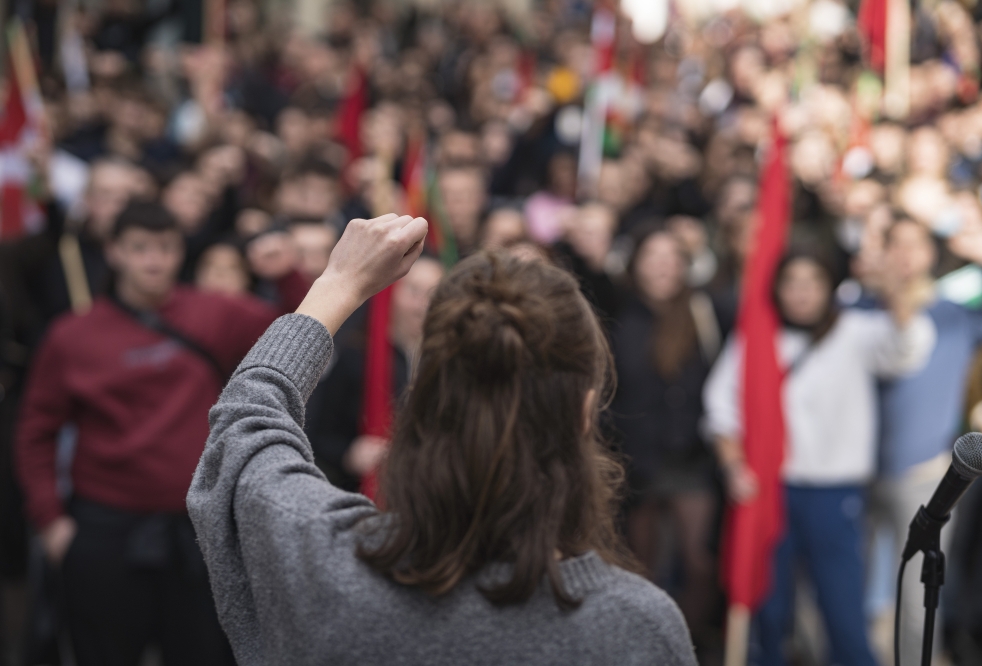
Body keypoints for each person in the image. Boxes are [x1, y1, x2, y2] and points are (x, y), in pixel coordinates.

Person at [187, 213, 698, 665]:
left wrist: (338, 283)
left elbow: (243, 426)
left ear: (421, 405)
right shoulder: (637, 629)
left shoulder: (325, 563)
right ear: (586, 414)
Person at [15, 201, 308, 666]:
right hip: (102, 532)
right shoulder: (71, 336)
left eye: (166, 248)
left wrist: (288, 272)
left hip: (196, 534)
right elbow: (35, 431)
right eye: (140, 248)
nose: (154, 260)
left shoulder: (215, 312)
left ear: (180, 252)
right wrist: (50, 521)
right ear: (114, 252)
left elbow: (301, 326)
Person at [703, 249, 936, 666]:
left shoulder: (857, 330)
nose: (801, 294)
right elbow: (721, 406)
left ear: (829, 287)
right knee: (767, 610)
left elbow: (907, 349)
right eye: (791, 283)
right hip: (771, 491)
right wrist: (733, 465)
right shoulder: (757, 338)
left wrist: (893, 294)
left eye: (812, 283)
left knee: (843, 610)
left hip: (836, 493)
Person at [872, 215, 982, 664]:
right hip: (859, 474)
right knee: (857, 596)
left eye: (916, 246)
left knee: (917, 598)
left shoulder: (953, 313)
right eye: (896, 244)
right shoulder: (860, 309)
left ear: (931, 255)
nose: (906, 256)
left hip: (925, 474)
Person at [611, 227, 723, 650]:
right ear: (635, 264)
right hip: (638, 462)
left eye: (671, 256)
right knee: (641, 568)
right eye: (651, 255)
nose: (661, 265)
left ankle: (679, 645)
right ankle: (640, 649)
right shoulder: (618, 316)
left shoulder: (704, 313)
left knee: (699, 564)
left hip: (691, 458)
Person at [305, 255, 445, 489]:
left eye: (433, 294)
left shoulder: (449, 359)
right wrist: (349, 455)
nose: (423, 305)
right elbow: (319, 434)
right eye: (413, 291)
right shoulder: (356, 356)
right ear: (390, 294)